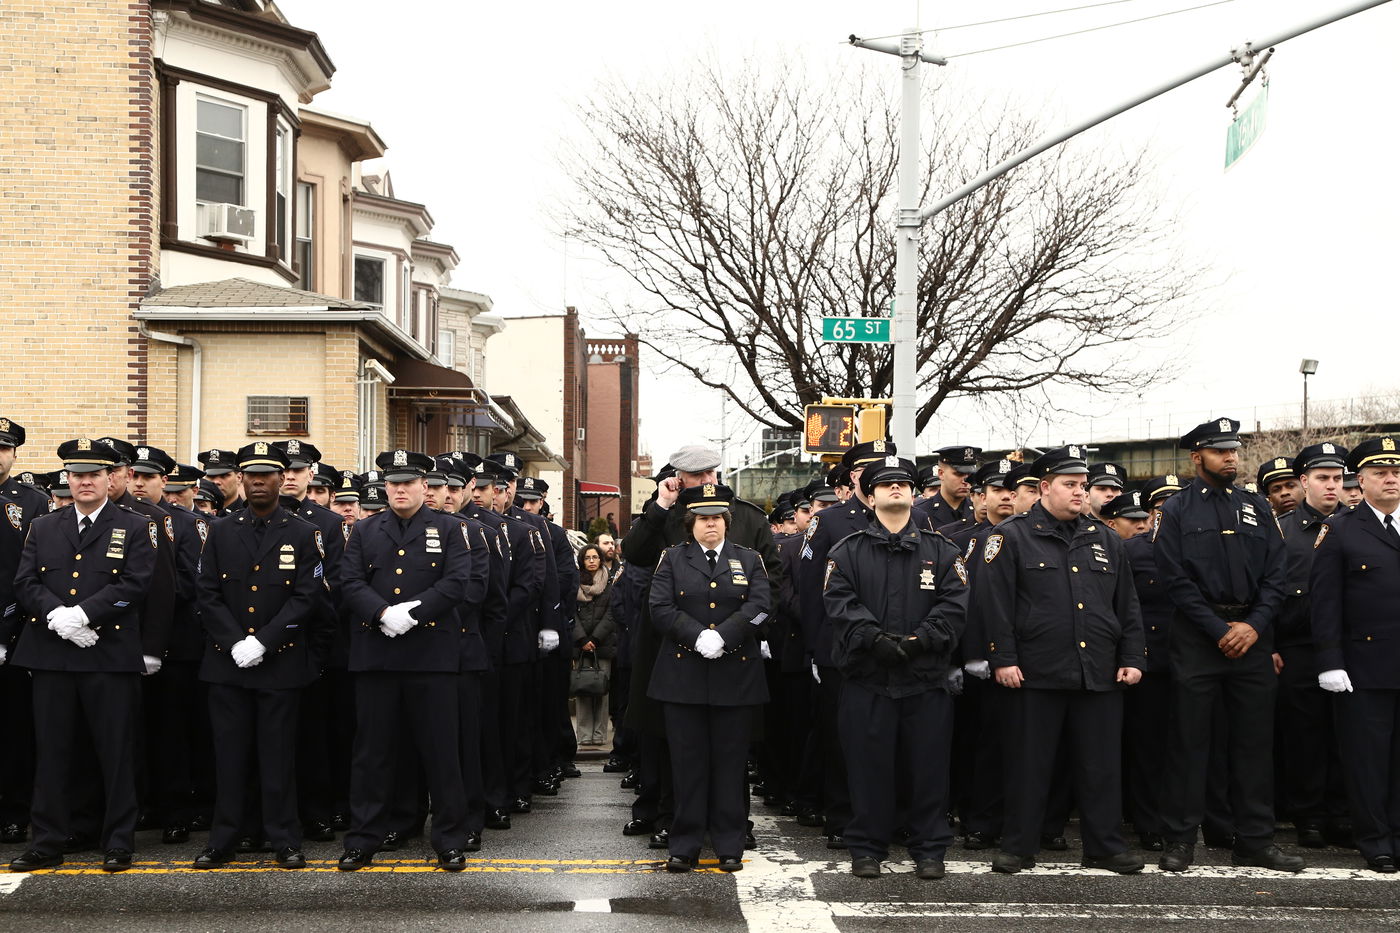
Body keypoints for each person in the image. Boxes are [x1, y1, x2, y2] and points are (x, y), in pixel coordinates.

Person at [976, 446, 1146, 875]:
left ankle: (1104, 846)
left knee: (1100, 766)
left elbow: (1126, 605)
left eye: (1083, 486)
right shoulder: (1011, 536)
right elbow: (993, 604)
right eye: (1070, 484)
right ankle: (1019, 845)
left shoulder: (1104, 536)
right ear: (1045, 487)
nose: (1080, 492)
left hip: (1099, 671)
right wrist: (1003, 658)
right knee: (1029, 765)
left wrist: (1132, 655)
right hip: (1035, 670)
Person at [1153, 418, 1303, 873]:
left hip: (1252, 637)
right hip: (1199, 638)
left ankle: (1255, 840)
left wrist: (1254, 626)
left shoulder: (1257, 507)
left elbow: (1277, 576)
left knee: (1254, 744)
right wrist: (1220, 630)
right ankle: (1180, 839)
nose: (1231, 458)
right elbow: (1174, 580)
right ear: (1197, 457)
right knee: (1189, 742)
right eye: (1221, 452)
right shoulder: (1177, 510)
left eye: (1234, 451)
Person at [6, 438, 160, 873]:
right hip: (53, 654)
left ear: (110, 479)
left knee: (114, 751)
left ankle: (117, 840)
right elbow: (26, 581)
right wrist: (58, 616)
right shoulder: (44, 525)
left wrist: (83, 614)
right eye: (77, 476)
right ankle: (48, 840)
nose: (84, 482)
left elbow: (135, 582)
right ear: (67, 480)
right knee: (53, 751)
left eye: (93, 475)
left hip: (108, 655)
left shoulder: (132, 525)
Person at [824, 456, 968, 879]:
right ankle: (867, 847)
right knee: (868, 768)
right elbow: (839, 603)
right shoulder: (846, 552)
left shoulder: (942, 550)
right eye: (885, 484)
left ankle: (929, 848)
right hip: (868, 679)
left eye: (904, 483)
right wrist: (874, 639)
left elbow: (955, 605)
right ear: (869, 496)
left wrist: (921, 639)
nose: (896, 489)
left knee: (928, 768)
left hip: (925, 679)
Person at [192, 442, 329, 870]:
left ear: (280, 479)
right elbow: (207, 593)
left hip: (281, 662)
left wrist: (264, 641)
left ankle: (284, 838)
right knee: (229, 757)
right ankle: (224, 840)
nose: (257, 482)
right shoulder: (221, 529)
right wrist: (235, 641)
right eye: (249, 475)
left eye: (266, 475)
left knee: (278, 755)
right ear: (241, 480)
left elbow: (308, 596)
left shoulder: (303, 532)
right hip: (227, 662)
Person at [337, 449, 473, 872]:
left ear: (424, 487)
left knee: (441, 754)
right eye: (392, 483)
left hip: (431, 657)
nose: (399, 489)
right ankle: (363, 840)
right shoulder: (364, 530)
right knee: (372, 755)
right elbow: (349, 580)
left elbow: (456, 583)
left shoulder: (450, 529)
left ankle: (449, 840)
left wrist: (411, 613)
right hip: (377, 656)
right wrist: (381, 613)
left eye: (408, 482)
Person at [647, 483, 771, 872]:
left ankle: (729, 844)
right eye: (703, 519)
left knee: (731, 766)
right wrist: (697, 634)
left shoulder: (749, 559)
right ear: (691, 524)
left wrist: (725, 635)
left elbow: (763, 606)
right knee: (687, 765)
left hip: (736, 676)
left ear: (726, 523)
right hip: (683, 677)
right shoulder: (672, 558)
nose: (711, 525)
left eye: (716, 518)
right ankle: (684, 845)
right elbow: (659, 608)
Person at [1311, 436, 1400, 872]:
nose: (1390, 479)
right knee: (1368, 761)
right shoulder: (1342, 529)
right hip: (1363, 668)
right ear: (1360, 480)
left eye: (1397, 472)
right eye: (1380, 473)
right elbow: (1325, 601)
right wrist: (1330, 660)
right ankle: (1376, 840)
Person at [1276, 442, 1351, 848]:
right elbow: (1267, 592)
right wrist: (1269, 644)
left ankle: (1342, 813)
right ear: (1303, 482)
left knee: (1345, 733)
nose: (1331, 486)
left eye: (1337, 479)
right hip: (1298, 646)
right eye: (1322, 478)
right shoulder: (1282, 531)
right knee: (1304, 735)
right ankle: (1308, 816)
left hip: (1348, 647)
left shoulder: (1355, 526)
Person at [573, 544, 618, 746]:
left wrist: (596, 639)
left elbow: (612, 614)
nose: (591, 561)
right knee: (582, 690)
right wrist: (582, 639)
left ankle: (599, 735)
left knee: (602, 691)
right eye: (587, 558)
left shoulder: (610, 583)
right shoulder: (573, 582)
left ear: (600, 560)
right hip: (580, 646)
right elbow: (570, 614)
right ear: (582, 561)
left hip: (603, 644)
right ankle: (583, 736)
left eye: (595, 557)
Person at [914, 445, 981, 526]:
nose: (965, 481)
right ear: (941, 474)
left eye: (969, 475)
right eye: (959, 474)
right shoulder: (919, 512)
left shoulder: (980, 510)